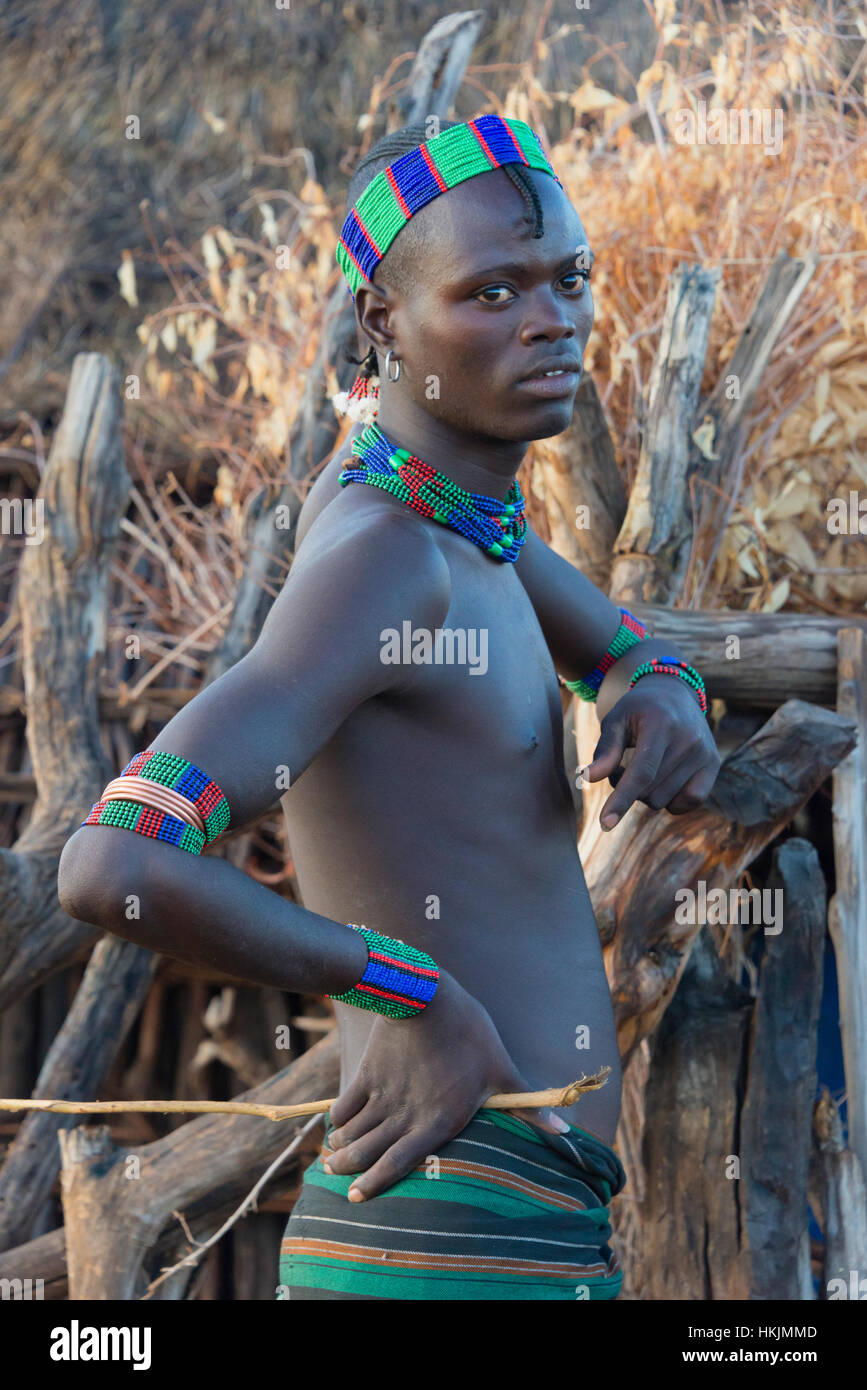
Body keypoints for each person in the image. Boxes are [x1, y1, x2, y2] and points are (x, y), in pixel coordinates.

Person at [58, 115, 720, 1300]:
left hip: (506, 1232)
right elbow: (116, 861)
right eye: (492, 291)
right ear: (384, 325)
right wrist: (406, 987)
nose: (551, 319)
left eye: (569, 278)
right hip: (448, 1246)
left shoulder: (468, 528)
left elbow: (622, 645)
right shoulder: (386, 561)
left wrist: (661, 689)